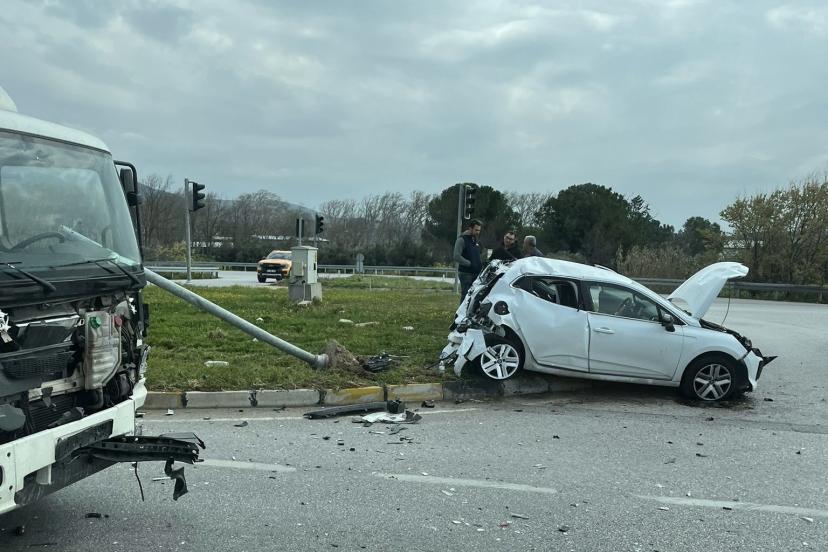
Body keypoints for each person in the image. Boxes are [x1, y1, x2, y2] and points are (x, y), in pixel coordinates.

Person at [453, 218, 483, 299]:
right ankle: (462, 308)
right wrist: (469, 263)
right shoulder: (462, 239)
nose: (478, 232)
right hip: (466, 274)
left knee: (474, 297)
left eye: (479, 230)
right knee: (466, 297)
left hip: (476, 273)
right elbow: (456, 256)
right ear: (470, 228)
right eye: (476, 230)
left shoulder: (475, 239)